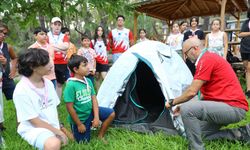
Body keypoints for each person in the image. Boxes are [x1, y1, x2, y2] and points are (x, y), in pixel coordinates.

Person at [165, 38, 249, 150]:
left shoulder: (206, 59)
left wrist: (173, 102)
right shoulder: (207, 59)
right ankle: (239, 133)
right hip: (225, 106)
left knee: (188, 110)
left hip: (234, 108)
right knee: (197, 133)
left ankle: (196, 148)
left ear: (195, 49)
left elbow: (192, 92)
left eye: (186, 53)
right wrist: (185, 106)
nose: (186, 58)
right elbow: (203, 95)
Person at [13, 48, 68, 150]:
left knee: (67, 140)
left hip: (52, 127)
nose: (51, 65)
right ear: (33, 67)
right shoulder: (21, 90)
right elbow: (34, 121)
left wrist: (60, 127)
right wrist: (58, 132)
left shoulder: (48, 83)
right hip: (34, 129)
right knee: (53, 144)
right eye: (46, 62)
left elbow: (54, 109)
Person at [63, 54, 115, 143]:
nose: (88, 67)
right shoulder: (71, 85)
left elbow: (94, 99)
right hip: (80, 118)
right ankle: (62, 129)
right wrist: (79, 124)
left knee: (111, 113)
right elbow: (69, 108)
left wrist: (96, 117)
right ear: (75, 69)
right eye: (84, 65)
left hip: (90, 111)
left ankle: (100, 136)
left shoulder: (88, 81)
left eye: (87, 64)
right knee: (82, 142)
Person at [47, 17, 69, 98]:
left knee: (60, 83)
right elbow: (47, 47)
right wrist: (61, 48)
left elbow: (66, 47)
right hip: (51, 62)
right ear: (51, 25)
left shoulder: (64, 36)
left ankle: (58, 102)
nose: (57, 26)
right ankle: (50, 100)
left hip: (62, 63)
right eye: (55, 24)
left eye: (59, 25)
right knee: (50, 83)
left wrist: (52, 46)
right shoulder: (47, 35)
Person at [0, 24, 17, 101]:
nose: (3, 35)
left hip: (7, 78)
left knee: (16, 97)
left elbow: (14, 58)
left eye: (5, 33)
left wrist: (13, 70)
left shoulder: (8, 47)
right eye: (0, 32)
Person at [91, 26, 110, 90]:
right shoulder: (93, 41)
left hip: (104, 62)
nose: (100, 32)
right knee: (97, 78)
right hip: (96, 62)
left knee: (105, 78)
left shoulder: (106, 41)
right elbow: (91, 51)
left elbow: (107, 51)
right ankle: (99, 94)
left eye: (101, 30)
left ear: (103, 32)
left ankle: (106, 92)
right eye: (98, 30)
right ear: (96, 32)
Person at [239, 8, 250, 97]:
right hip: (244, 47)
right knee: (247, 68)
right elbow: (240, 34)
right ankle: (248, 90)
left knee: (249, 67)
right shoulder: (246, 22)